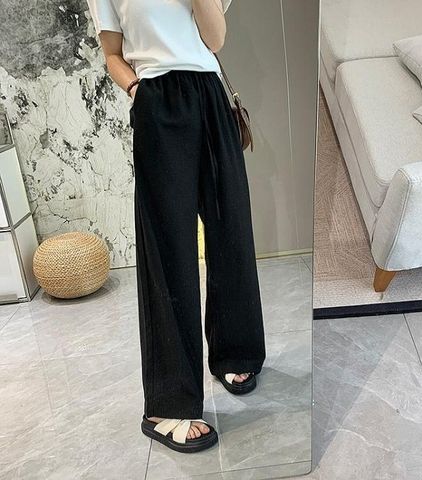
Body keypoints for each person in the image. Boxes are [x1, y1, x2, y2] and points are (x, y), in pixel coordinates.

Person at [86, 0, 266, 453]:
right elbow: (113, 54)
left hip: (211, 95)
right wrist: (136, 90)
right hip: (157, 101)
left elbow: (215, 39)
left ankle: (235, 350)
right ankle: (167, 403)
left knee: (231, 232)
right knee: (168, 250)